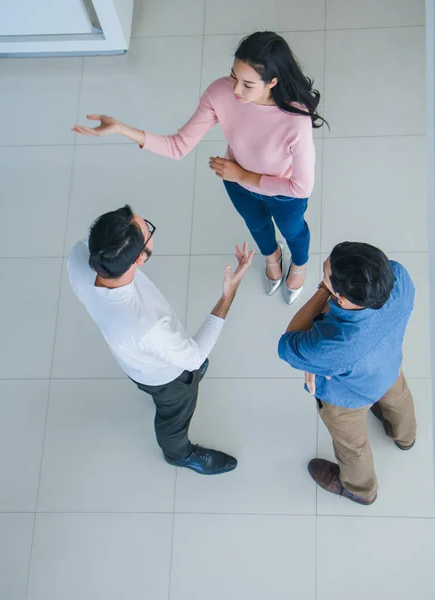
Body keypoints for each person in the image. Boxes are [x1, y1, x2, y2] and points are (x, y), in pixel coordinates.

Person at [72, 31, 326, 304]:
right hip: (238, 185)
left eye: (248, 84)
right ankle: (272, 257)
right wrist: (121, 129)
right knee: (257, 226)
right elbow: (177, 146)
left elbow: (301, 187)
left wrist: (242, 174)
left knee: (294, 232)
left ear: (272, 82)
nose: (236, 90)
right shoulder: (220, 93)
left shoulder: (295, 120)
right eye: (233, 76)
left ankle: (298, 265)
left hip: (283, 193)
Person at [68, 204, 253, 475]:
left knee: (172, 373)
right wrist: (228, 294)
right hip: (167, 377)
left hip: (136, 360)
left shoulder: (79, 255)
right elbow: (193, 356)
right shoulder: (145, 324)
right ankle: (178, 454)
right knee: (173, 415)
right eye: (148, 230)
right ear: (139, 259)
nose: (148, 227)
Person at [278, 242, 416, 505]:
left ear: (340, 298)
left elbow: (288, 344)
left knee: (352, 447)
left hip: (349, 398)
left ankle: (360, 489)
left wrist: (322, 292)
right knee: (399, 401)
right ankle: (405, 437)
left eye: (326, 276)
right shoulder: (398, 276)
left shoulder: (335, 345)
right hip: (389, 367)